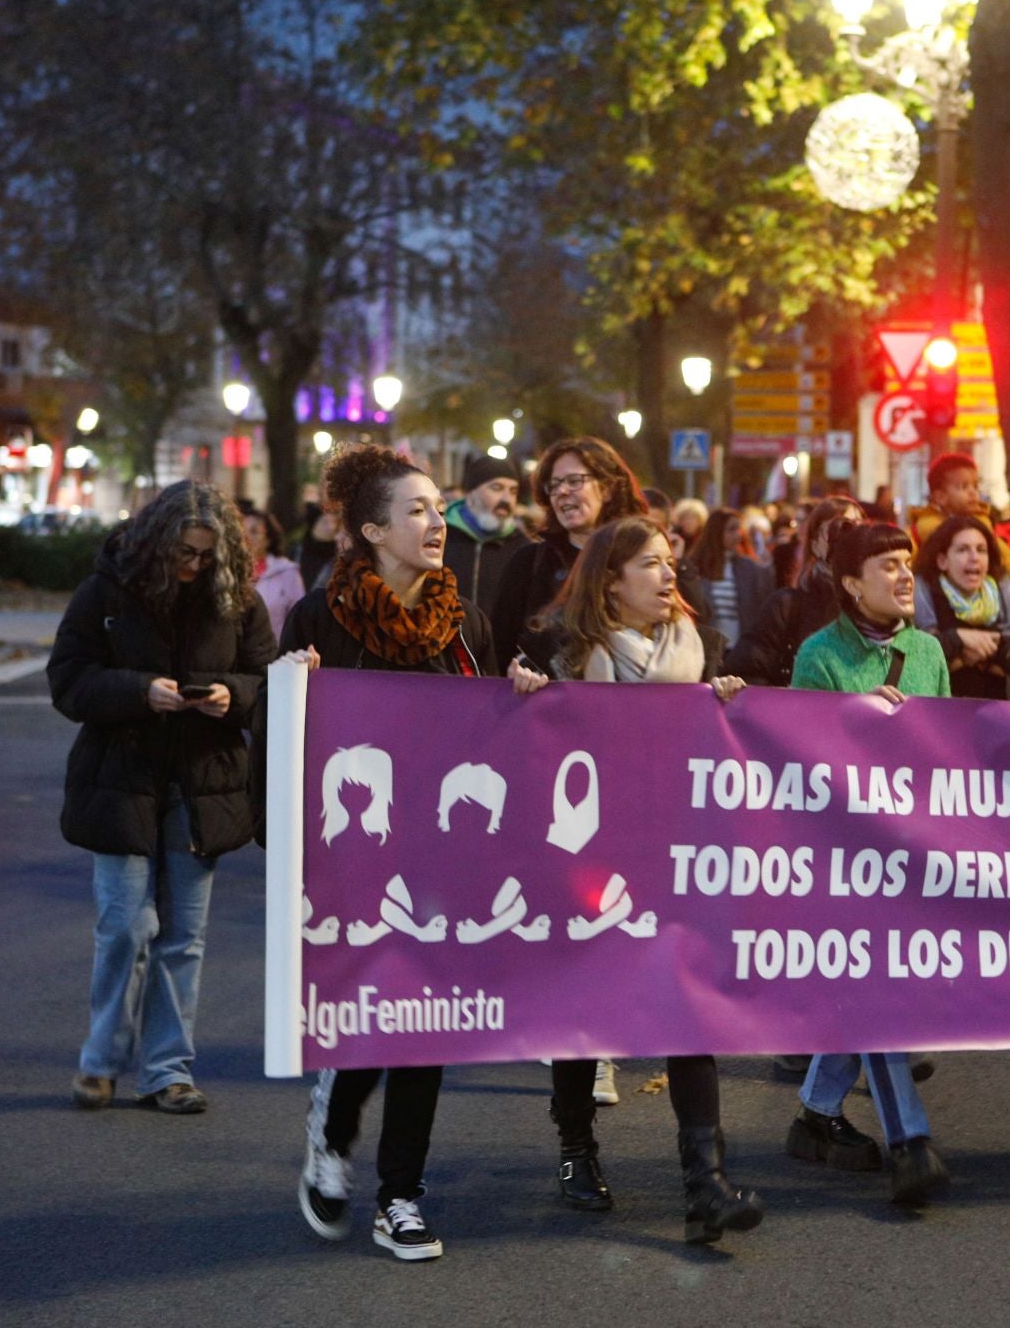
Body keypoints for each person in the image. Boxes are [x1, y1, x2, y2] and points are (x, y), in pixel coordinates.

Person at [276, 443, 536, 1261]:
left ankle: (401, 1197)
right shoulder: (318, 617)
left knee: (423, 1025)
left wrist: (516, 697)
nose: (437, 522)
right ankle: (333, 1134)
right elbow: (284, 737)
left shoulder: (468, 622)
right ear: (370, 530)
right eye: (417, 510)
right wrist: (293, 687)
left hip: (439, 854)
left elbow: (487, 744)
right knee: (370, 1015)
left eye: (439, 508)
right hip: (356, 850)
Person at [525, 513, 766, 1245]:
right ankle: (576, 1152)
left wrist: (728, 711)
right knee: (585, 1008)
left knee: (686, 1007)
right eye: (651, 564)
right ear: (611, 579)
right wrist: (526, 697)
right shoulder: (565, 653)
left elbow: (751, 737)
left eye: (670, 562)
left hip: (673, 855)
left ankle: (706, 1184)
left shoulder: (702, 651)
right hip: (589, 860)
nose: (668, 575)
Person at [51, 481, 274, 1116]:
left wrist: (235, 696)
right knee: (126, 925)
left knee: (183, 935)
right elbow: (68, 681)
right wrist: (139, 690)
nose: (194, 567)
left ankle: (168, 1071)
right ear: (156, 542)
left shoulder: (238, 602)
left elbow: (267, 681)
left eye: (206, 556)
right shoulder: (106, 593)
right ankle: (100, 1060)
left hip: (202, 783)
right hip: (121, 778)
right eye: (184, 553)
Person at [786, 521, 953, 1206]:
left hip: (912, 847)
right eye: (888, 565)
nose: (905, 575)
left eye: (907, 563)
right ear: (851, 582)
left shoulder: (930, 653)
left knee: (873, 982)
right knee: (879, 981)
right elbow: (797, 758)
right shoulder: (819, 656)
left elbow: (948, 753)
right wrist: (858, 725)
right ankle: (909, 1139)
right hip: (845, 855)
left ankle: (816, 1115)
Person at [489, 437, 646, 677]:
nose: (561, 492)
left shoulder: (643, 560)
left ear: (607, 489)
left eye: (574, 481)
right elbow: (498, 654)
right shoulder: (527, 564)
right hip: (546, 711)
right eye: (553, 485)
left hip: (632, 709)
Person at [722, 496, 863, 687]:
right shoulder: (788, 606)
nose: (847, 537)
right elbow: (748, 671)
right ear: (815, 545)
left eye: (857, 528)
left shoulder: (883, 607)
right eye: (837, 528)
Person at [912, 513, 1010, 699]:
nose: (974, 557)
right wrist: (958, 639)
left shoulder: (1008, 598)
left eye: (981, 550)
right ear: (942, 561)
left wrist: (997, 651)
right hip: (939, 717)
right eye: (962, 550)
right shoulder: (922, 597)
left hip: (994, 719)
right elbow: (915, 664)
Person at [908, 452, 1010, 606]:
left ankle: (1007, 629)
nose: (973, 492)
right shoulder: (922, 530)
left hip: (980, 596)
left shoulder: (983, 527)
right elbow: (907, 560)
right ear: (940, 497)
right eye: (963, 486)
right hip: (937, 599)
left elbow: (1005, 557)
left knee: (1005, 584)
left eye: (975, 486)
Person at [441, 455, 527, 617]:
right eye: (497, 488)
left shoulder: (523, 548)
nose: (506, 499)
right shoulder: (439, 538)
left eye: (513, 491)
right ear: (470, 493)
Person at [685, 506, 773, 647]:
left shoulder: (748, 567)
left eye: (739, 529)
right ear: (716, 532)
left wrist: (766, 569)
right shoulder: (696, 567)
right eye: (731, 529)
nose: (738, 535)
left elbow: (762, 604)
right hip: (707, 648)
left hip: (739, 649)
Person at [243, 508, 306, 643]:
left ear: (268, 539)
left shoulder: (287, 572)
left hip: (275, 655)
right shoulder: (228, 572)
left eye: (254, 532)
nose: (246, 538)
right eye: (242, 532)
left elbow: (300, 620)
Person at [294, 503, 339, 592]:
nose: (331, 528)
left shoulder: (338, 556)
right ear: (313, 526)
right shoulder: (297, 551)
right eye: (325, 523)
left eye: (334, 523)